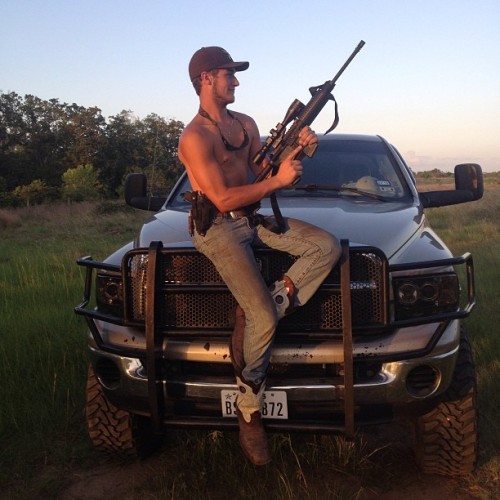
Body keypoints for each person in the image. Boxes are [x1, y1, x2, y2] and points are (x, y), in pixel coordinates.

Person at [178, 46, 341, 465]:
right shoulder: (194, 137)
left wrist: (299, 149)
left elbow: (264, 170)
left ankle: (271, 299)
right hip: (216, 228)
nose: (236, 81)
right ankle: (249, 407)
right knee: (264, 319)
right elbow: (224, 195)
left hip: (250, 218)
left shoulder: (245, 124)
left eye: (234, 75)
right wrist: (278, 182)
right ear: (206, 78)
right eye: (229, 74)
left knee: (326, 246)